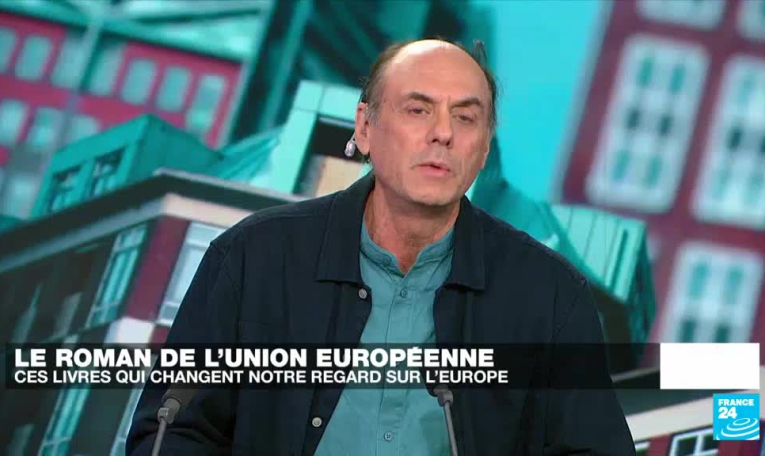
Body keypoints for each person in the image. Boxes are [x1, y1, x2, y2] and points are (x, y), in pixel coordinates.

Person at [127, 38, 636, 455]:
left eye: (465, 118)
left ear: (483, 148)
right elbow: (173, 431)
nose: (443, 133)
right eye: (418, 109)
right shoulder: (253, 256)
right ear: (365, 128)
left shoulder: (549, 296)